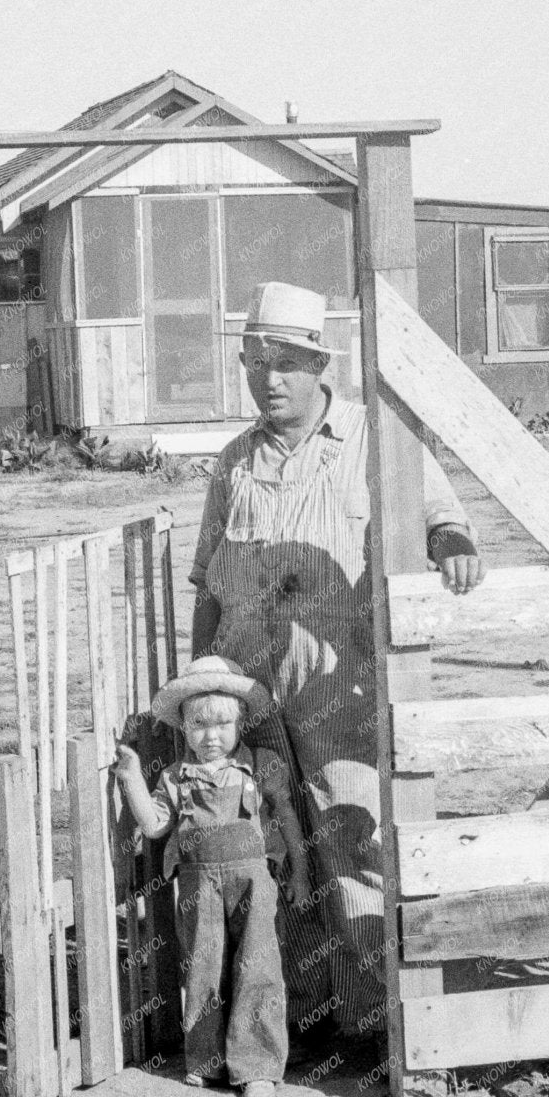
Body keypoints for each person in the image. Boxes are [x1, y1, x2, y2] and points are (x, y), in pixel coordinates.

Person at [189, 280, 484, 1053]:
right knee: (269, 852)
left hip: (337, 689)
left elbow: (440, 514)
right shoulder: (233, 463)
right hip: (249, 694)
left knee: (353, 841)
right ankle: (299, 1025)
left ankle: (375, 1027)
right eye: (257, 363)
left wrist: (450, 541)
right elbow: (205, 588)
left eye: (286, 363)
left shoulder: (373, 439)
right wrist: (199, 685)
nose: (270, 379)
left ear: (321, 365)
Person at [116, 655, 309, 1097]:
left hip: (254, 883)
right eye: (199, 725)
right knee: (203, 968)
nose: (211, 736)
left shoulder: (261, 765)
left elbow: (288, 819)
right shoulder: (174, 778)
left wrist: (299, 872)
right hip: (197, 886)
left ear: (241, 724)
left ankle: (257, 1067)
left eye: (222, 724)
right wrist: (131, 779)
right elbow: (154, 826)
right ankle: (206, 1060)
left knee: (257, 967)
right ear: (183, 727)